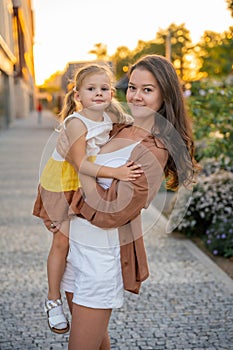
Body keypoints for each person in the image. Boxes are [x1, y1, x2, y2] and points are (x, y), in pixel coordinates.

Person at [58, 54, 200, 350]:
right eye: (132, 87)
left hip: (101, 257)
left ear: (165, 95)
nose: (135, 95)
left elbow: (113, 211)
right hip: (75, 249)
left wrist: (79, 164)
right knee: (96, 342)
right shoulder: (118, 128)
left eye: (147, 90)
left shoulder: (155, 149)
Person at [32, 63, 142, 334]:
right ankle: (52, 298)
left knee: (73, 241)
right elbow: (80, 164)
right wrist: (116, 172)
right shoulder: (76, 122)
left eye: (105, 88)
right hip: (61, 185)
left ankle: (77, 300)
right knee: (62, 241)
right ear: (78, 95)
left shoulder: (108, 118)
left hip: (80, 185)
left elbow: (133, 129)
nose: (99, 93)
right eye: (91, 89)